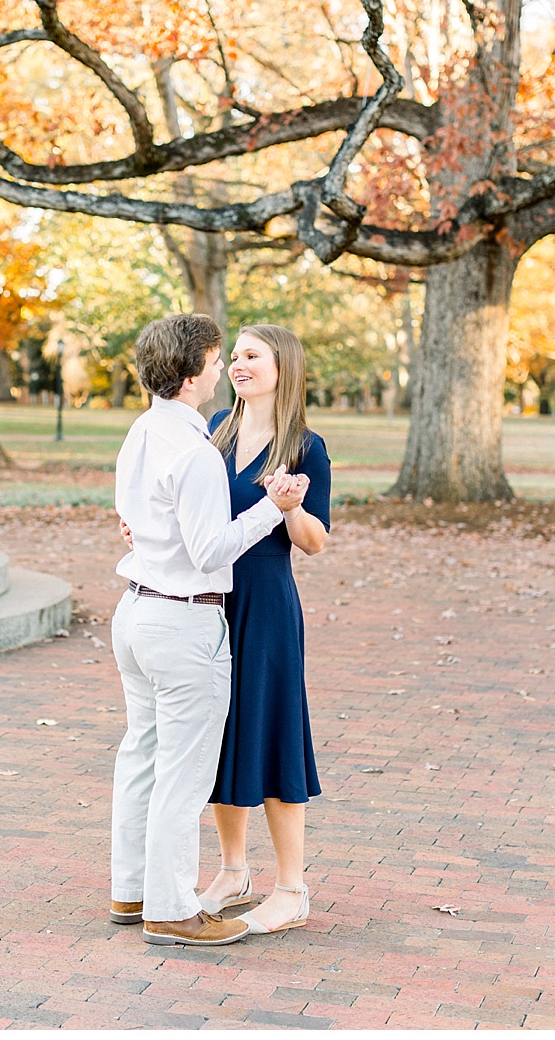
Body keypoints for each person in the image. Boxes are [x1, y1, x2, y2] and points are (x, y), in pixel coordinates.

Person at [109, 314, 309, 947]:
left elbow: (135, 518)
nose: (224, 369)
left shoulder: (142, 432)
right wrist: (270, 510)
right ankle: (170, 910)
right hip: (182, 620)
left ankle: (131, 890)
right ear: (193, 373)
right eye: (219, 360)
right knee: (181, 772)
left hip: (136, 609)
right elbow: (209, 550)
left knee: (141, 755)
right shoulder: (196, 451)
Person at [194, 325, 331, 935]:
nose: (238, 365)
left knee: (273, 730)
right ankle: (232, 870)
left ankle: (292, 888)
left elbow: (316, 542)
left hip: (267, 601)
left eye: (252, 356)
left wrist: (291, 505)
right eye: (236, 357)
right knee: (218, 727)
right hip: (209, 596)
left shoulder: (306, 446)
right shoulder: (215, 429)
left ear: (283, 366)